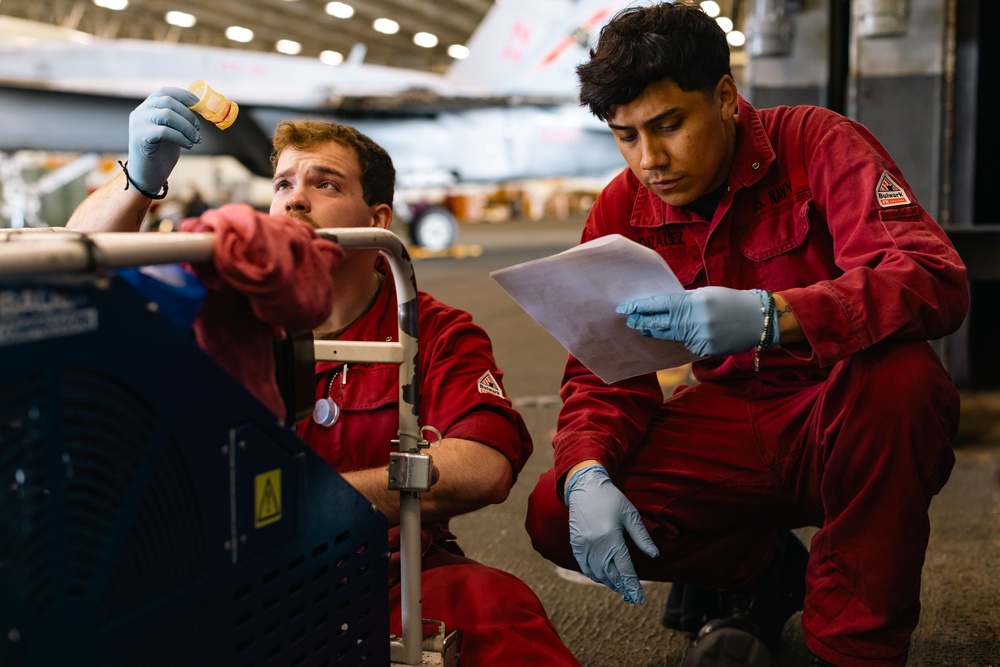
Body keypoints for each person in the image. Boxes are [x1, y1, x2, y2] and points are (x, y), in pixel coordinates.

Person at [67, 89, 582, 666]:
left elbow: (484, 467)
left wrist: (313, 503)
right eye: (283, 184)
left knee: (499, 613)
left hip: (382, 572)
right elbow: (76, 272)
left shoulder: (433, 328)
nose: (295, 202)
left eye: (325, 184)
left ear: (378, 219)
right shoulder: (221, 312)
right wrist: (137, 180)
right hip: (228, 574)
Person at [523, 3, 968, 667]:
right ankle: (764, 569)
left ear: (726, 98)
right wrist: (586, 469)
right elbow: (604, 372)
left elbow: (930, 276)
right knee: (554, 508)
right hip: (731, 421)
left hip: (840, 408)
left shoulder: (817, 143)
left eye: (669, 125)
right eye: (626, 136)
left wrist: (775, 315)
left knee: (903, 380)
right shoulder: (621, 209)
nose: (651, 159)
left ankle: (853, 648)